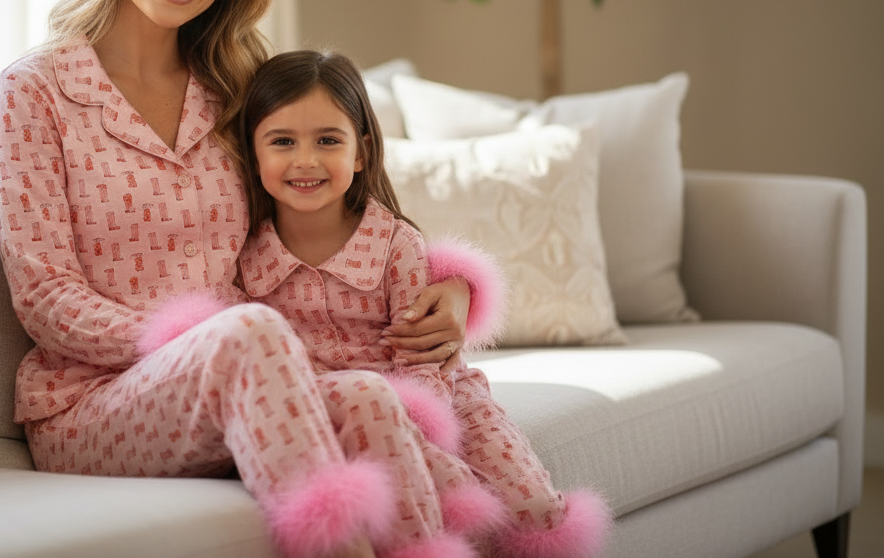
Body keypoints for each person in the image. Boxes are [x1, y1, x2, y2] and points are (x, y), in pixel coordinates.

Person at [0, 0, 483, 558]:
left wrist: (454, 288)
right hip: (93, 406)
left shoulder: (236, 85)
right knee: (246, 332)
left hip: (252, 377)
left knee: (374, 398)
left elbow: (327, 201)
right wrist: (199, 340)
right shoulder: (34, 92)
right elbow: (44, 296)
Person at [230, 50, 614, 558]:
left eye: (328, 140)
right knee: (441, 506)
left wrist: (429, 436)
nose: (306, 160)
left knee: (532, 509)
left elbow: (427, 364)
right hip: (349, 416)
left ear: (362, 151)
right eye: (283, 142)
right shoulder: (243, 253)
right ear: (253, 154)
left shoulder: (394, 244)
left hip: (438, 399)